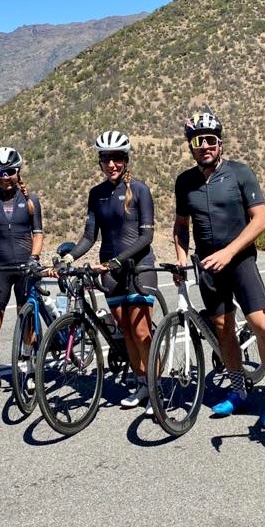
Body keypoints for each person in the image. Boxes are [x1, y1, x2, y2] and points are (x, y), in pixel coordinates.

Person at [173, 107, 265, 429]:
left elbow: (260, 219)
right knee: (222, 329)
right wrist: (181, 256)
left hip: (241, 260)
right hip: (207, 265)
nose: (204, 146)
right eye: (197, 141)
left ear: (220, 143)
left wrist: (230, 251)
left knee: (262, 326)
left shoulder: (240, 172)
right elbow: (181, 226)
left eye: (210, 140)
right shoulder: (185, 182)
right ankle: (238, 391)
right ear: (191, 145)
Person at [59, 130, 158, 416]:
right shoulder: (97, 194)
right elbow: (89, 237)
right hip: (110, 271)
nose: (111, 164)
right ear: (100, 161)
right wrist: (66, 256)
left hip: (139, 267)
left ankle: (156, 387)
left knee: (141, 332)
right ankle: (141, 384)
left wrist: (117, 261)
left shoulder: (139, 190)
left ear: (125, 160)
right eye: (106, 159)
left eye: (117, 158)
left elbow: (146, 237)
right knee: (125, 331)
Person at [0, 147, 43, 401]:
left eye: (11, 171)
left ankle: (31, 369)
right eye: (0, 172)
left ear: (18, 171)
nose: (6, 176)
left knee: (28, 323)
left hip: (26, 267)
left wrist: (34, 258)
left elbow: (38, 233)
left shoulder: (31, 200)